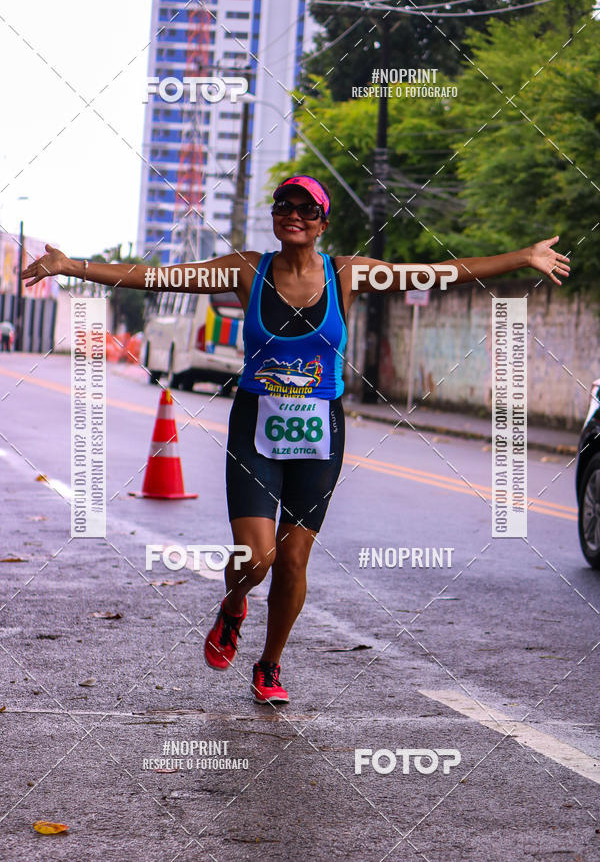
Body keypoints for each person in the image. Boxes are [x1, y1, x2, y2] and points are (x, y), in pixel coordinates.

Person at [23, 174, 571, 704]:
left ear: (323, 222)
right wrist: (72, 266)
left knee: (291, 560)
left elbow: (438, 272)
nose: (295, 216)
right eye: (285, 206)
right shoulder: (243, 271)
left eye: (308, 209)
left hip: (321, 430)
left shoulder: (351, 274)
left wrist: (524, 257)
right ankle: (235, 604)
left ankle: (269, 666)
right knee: (256, 558)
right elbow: (158, 276)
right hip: (256, 423)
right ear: (274, 216)